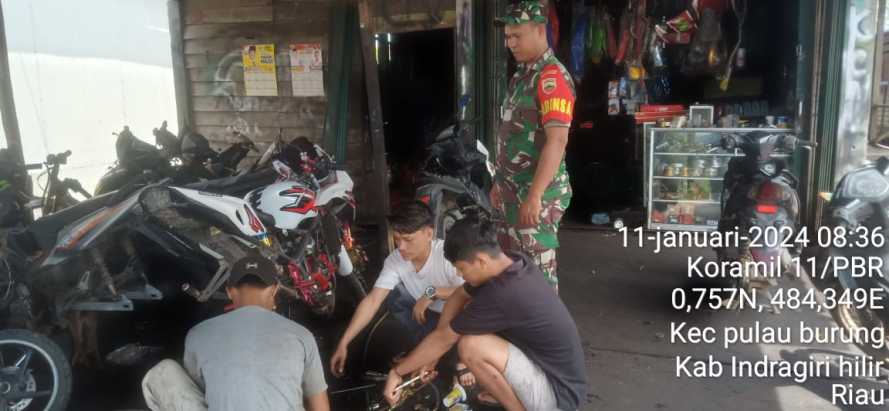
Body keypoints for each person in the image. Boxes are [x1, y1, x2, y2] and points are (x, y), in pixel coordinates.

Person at [381, 216, 588, 411]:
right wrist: (433, 356)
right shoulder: (512, 262)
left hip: (558, 397)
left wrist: (398, 372)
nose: (460, 275)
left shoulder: (504, 294)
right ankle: (511, 391)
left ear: (481, 261)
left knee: (471, 345)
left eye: (462, 269)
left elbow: (445, 338)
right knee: (469, 331)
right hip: (559, 375)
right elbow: (459, 295)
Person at [142, 255, 330, 411]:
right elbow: (320, 407)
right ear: (274, 290)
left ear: (230, 292)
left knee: (162, 373)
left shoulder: (198, 334)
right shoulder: (301, 334)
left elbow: (201, 388)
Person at [491, 0, 575, 292]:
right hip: (511, 193)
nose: (511, 43)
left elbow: (558, 140)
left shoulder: (552, 77)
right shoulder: (521, 76)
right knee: (511, 269)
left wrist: (536, 196)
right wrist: (498, 185)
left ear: (540, 31)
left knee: (538, 278)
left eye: (518, 36)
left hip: (536, 196)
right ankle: (518, 333)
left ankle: (546, 337)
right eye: (507, 38)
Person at [330, 201, 466, 377]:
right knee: (393, 295)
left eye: (408, 240)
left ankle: (443, 355)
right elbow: (372, 301)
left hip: (457, 317)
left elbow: (470, 293)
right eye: (397, 238)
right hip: (428, 315)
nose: (401, 247)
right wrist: (344, 342)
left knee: (461, 330)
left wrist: (431, 292)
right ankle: (424, 348)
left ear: (429, 234)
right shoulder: (395, 260)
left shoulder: (447, 255)